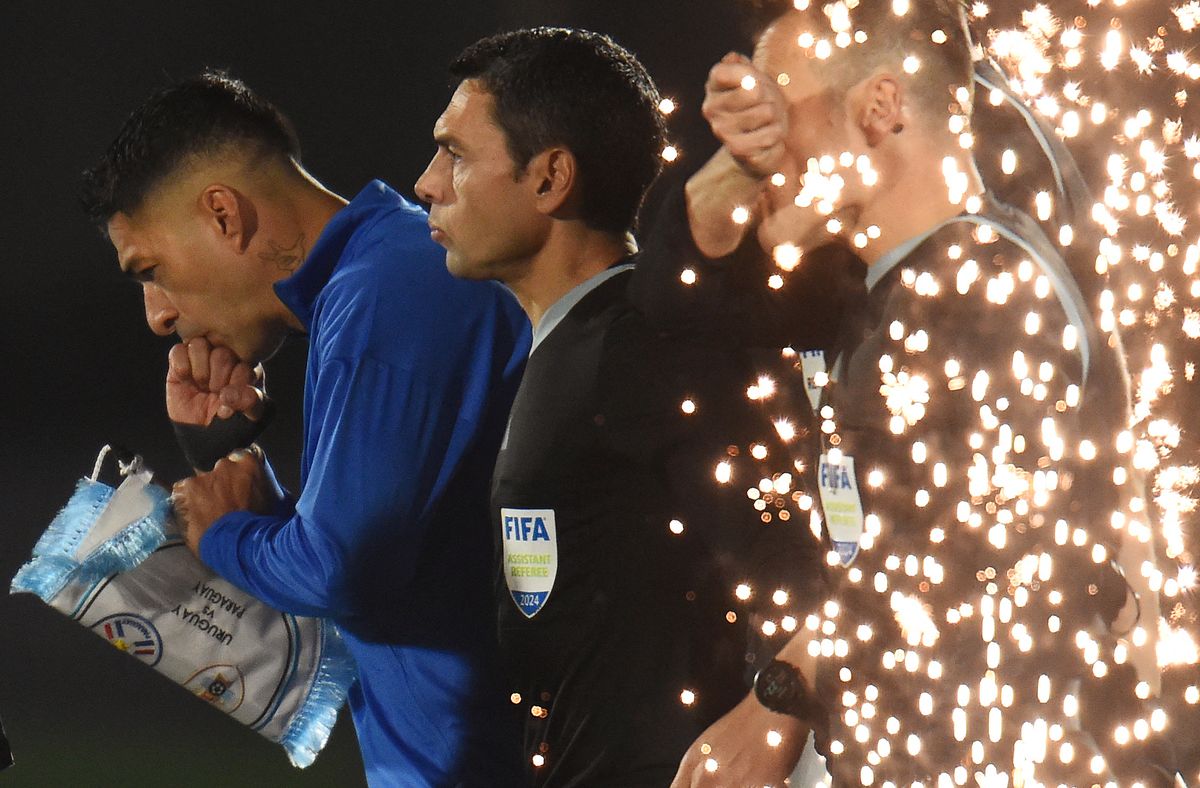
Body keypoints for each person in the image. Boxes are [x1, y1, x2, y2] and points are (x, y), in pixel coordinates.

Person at [635, 1, 1169, 785]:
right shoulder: (900, 287)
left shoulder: (985, 292)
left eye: (780, 117)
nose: (758, 155)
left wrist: (779, 696)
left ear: (880, 109)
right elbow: (671, 296)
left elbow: (953, 555)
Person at [414, 27, 851, 787]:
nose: (427, 181)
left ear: (550, 178)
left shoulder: (642, 348)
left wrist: (777, 713)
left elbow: (796, 560)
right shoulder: (577, 344)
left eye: (455, 153)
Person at [78, 72, 529, 787]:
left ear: (224, 215)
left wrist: (221, 532)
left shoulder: (385, 290)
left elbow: (343, 573)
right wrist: (232, 461)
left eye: (151, 270)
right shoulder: (372, 282)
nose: (157, 314)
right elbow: (401, 572)